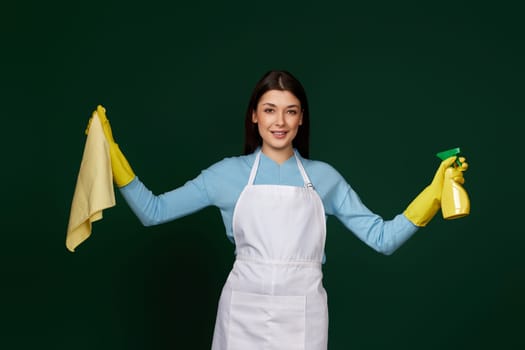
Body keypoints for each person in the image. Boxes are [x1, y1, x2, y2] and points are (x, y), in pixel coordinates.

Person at [91, 70, 468, 350]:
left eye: (290, 112)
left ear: (301, 118)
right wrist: (112, 155)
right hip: (242, 314)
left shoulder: (325, 179)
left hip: (303, 315)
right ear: (254, 115)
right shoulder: (226, 175)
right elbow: (153, 211)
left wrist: (433, 194)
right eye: (270, 110)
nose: (280, 122)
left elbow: (382, 238)